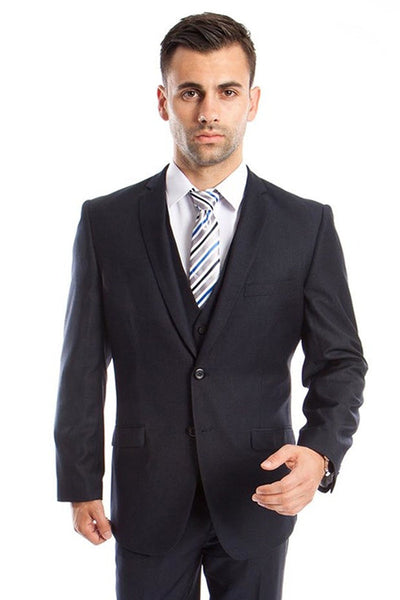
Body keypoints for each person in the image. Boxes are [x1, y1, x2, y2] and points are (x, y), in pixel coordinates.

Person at [54, 12, 367, 600]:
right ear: (163, 101)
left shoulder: (305, 226)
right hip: (145, 496)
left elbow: (341, 360)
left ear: (252, 101)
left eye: (227, 92)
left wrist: (321, 451)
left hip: (258, 492)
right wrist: (79, 480)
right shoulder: (106, 223)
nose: (208, 112)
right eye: (190, 92)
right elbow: (82, 365)